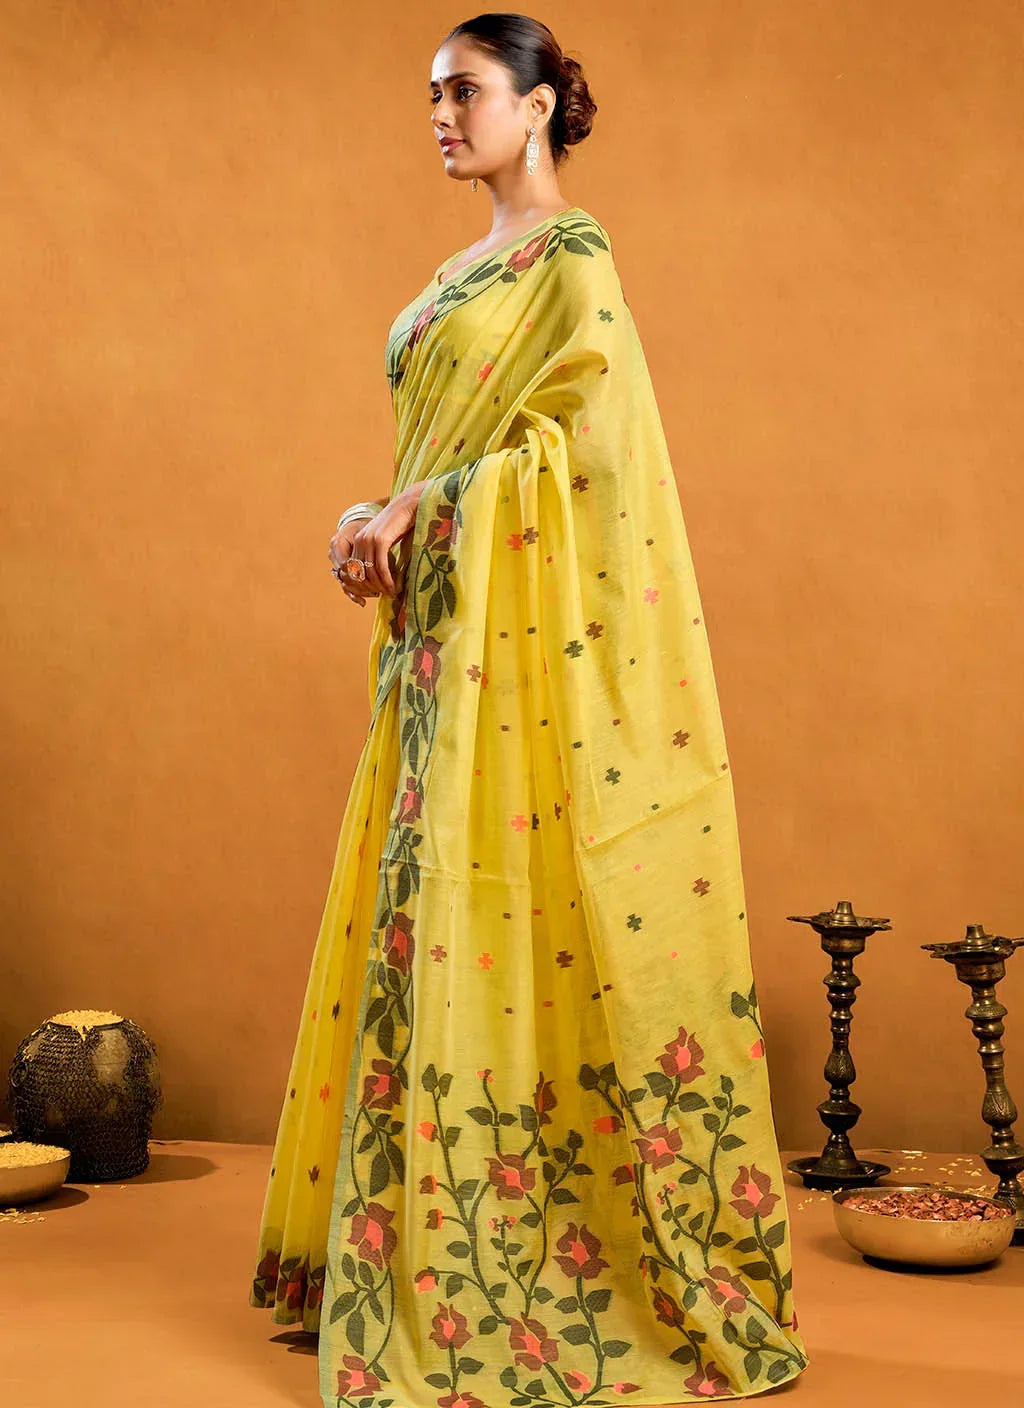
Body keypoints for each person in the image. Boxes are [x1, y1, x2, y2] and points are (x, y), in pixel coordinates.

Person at [250, 12, 809, 1404]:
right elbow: (438, 450)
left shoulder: (574, 260)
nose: (441, 115)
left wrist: (427, 504)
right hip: (436, 648)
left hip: (514, 661)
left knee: (504, 903)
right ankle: (408, 1243)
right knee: (423, 902)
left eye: (466, 90)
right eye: (431, 96)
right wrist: (372, 516)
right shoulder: (458, 271)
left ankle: (524, 1252)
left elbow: (591, 464)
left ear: (541, 102)